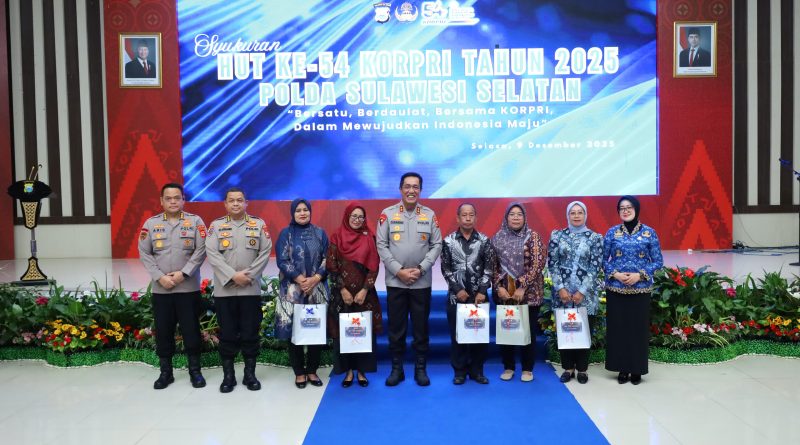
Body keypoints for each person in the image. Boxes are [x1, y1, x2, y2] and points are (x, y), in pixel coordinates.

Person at [138, 183, 207, 390]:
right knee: (163, 331)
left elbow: (201, 250)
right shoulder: (151, 224)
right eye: (168, 198)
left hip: (187, 288)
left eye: (177, 198)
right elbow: (145, 253)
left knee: (191, 331)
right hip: (162, 289)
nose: (173, 202)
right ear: (161, 201)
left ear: (183, 200)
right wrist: (160, 277)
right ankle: (165, 373)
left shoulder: (195, 222)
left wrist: (183, 274)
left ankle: (195, 371)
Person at [376, 172, 443, 386]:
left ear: (420, 190)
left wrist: (421, 269)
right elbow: (381, 245)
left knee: (421, 328)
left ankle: (420, 368)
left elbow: (437, 245)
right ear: (400, 189)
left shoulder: (429, 215)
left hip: (421, 282)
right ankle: (397, 369)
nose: (411, 190)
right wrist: (399, 271)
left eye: (415, 187)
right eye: (407, 186)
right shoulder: (387, 214)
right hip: (396, 281)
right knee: (396, 329)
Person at [205, 187, 272, 393]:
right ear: (225, 204)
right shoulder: (216, 226)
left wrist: (248, 275)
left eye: (239, 200)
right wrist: (233, 276)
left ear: (246, 203)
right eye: (231, 200)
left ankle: (250, 375)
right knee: (227, 333)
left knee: (250, 332)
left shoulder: (258, 224)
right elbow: (212, 253)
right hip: (225, 291)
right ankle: (229, 376)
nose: (236, 204)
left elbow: (265, 252)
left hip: (250, 290)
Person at [603, 196, 663, 385]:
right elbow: (603, 260)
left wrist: (640, 275)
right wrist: (616, 274)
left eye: (629, 207)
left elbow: (658, 261)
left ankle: (637, 369)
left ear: (636, 209)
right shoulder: (612, 233)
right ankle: (622, 368)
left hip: (640, 290)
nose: (626, 210)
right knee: (618, 329)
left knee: (637, 330)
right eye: (622, 208)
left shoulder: (649, 233)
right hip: (616, 289)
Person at [326, 202, 383, 388]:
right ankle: (348, 371)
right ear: (347, 217)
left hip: (364, 296)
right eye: (354, 216)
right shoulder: (336, 236)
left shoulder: (369, 237)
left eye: (361, 217)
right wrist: (342, 289)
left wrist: (365, 289)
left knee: (362, 333)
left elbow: (374, 266)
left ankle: (362, 371)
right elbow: (331, 265)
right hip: (341, 296)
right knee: (344, 333)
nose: (357, 220)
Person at [275, 199, 330, 389]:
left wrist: (315, 279)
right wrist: (300, 279)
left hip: (317, 289)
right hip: (293, 291)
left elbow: (328, 259)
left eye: (305, 209)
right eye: (298, 210)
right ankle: (299, 372)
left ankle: (312, 370)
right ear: (293, 213)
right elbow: (282, 260)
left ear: (310, 212)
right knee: (295, 331)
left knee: (315, 329)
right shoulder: (286, 233)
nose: (302, 213)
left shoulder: (320, 233)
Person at [547, 201, 604, 384]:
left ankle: (582, 369)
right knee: (566, 330)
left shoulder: (595, 238)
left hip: (586, 296)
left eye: (580, 212)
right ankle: (568, 368)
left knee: (584, 331)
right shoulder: (557, 236)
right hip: (562, 295)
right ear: (568, 215)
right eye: (573, 213)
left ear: (585, 215)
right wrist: (560, 288)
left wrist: (582, 291)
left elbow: (595, 267)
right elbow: (552, 264)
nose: (577, 216)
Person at [491, 202, 546, 382]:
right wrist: (498, 287)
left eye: (519, 214)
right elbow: (492, 266)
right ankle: (508, 367)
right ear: (506, 217)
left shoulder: (533, 236)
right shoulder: (497, 238)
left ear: (525, 218)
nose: (515, 217)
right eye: (512, 214)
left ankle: (527, 369)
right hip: (505, 295)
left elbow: (538, 263)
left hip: (528, 294)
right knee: (507, 329)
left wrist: (522, 286)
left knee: (527, 332)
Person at [441, 203, 495, 385]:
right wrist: (458, 290)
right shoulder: (448, 241)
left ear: (476, 218)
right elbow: (446, 269)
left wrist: (482, 291)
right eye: (464, 215)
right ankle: (459, 372)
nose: (468, 218)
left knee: (479, 336)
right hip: (456, 297)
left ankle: (477, 371)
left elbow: (489, 268)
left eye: (471, 214)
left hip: (479, 298)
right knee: (457, 336)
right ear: (458, 218)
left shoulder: (484, 241)